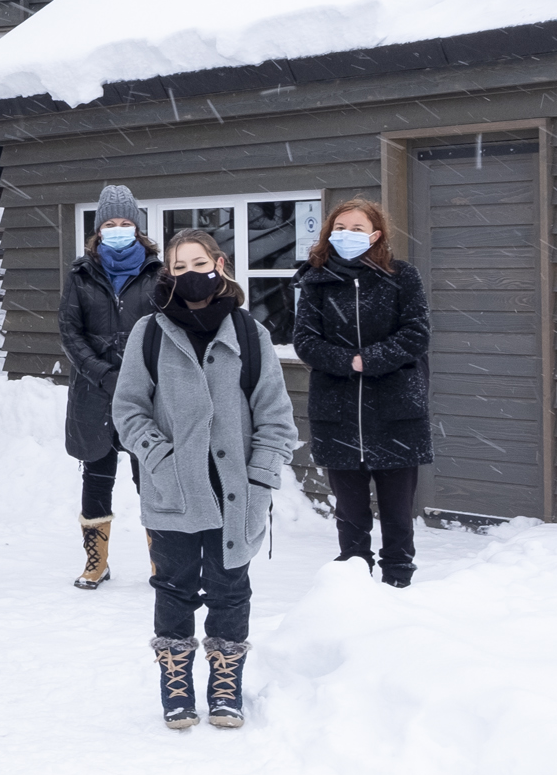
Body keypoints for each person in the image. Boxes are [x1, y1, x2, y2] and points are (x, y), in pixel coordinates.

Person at [112, 228, 299, 730]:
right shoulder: (149, 332)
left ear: (219, 265)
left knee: (230, 588)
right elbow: (129, 410)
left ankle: (225, 684)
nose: (190, 275)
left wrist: (262, 479)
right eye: (179, 267)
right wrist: (161, 458)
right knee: (172, 587)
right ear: (167, 274)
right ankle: (176, 685)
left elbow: (276, 416)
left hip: (235, 492)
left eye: (199, 264)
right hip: (172, 489)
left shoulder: (249, 332)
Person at [293, 199, 432, 588]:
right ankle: (352, 584)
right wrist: (346, 362)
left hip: (396, 412)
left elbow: (416, 334)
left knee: (397, 513)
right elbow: (305, 341)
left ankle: (398, 582)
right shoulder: (315, 281)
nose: (347, 235)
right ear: (328, 234)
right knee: (350, 514)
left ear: (375, 235)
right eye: (340, 227)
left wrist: (367, 360)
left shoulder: (401, 276)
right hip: (337, 416)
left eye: (357, 228)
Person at [58, 185, 166, 588]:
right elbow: (70, 333)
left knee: (151, 479)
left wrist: (140, 376)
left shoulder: (158, 273)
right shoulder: (81, 273)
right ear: (98, 229)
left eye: (124, 223)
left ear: (136, 228)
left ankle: (163, 558)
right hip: (94, 392)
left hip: (146, 397)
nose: (117, 229)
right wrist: (103, 373)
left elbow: (165, 331)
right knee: (96, 475)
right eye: (110, 223)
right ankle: (96, 561)